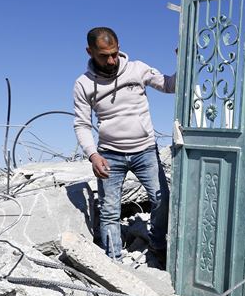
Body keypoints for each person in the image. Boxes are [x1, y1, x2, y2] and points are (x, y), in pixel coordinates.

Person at [73, 27, 175, 265]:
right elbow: (81, 124)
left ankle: (158, 245)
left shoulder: (138, 69)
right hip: (109, 155)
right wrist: (93, 155)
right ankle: (114, 263)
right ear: (89, 51)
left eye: (114, 53)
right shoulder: (83, 84)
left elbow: (171, 86)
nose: (111, 60)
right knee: (109, 211)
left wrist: (186, 60)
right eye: (104, 55)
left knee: (162, 200)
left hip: (145, 151)